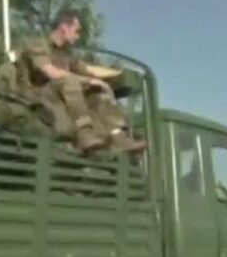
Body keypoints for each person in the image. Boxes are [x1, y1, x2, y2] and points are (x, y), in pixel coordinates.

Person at [18, 10, 146, 153]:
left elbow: (89, 70)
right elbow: (51, 72)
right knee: (70, 80)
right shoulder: (38, 44)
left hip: (59, 94)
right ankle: (84, 133)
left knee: (97, 90)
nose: (78, 36)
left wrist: (116, 74)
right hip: (37, 95)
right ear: (64, 27)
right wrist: (88, 80)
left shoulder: (67, 54)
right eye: (77, 31)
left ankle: (119, 137)